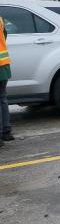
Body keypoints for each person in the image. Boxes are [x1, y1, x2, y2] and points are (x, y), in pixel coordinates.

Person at [0, 16, 13, 148]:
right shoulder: (1, 19)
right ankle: (6, 131)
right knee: (2, 98)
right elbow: (4, 35)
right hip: (3, 64)